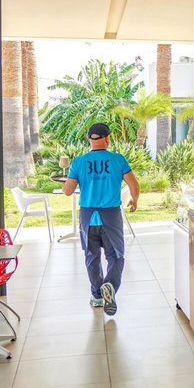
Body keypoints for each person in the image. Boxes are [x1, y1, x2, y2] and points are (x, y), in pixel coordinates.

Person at [63, 123, 140, 315]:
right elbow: (134, 185)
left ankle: (97, 296)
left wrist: (75, 178)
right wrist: (134, 200)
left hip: (88, 217)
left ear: (89, 140)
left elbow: (67, 191)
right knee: (116, 256)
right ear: (107, 139)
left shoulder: (79, 162)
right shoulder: (118, 160)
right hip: (111, 216)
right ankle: (110, 285)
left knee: (92, 256)